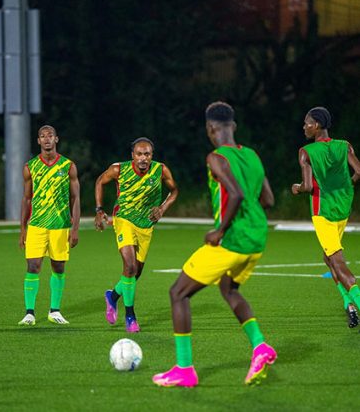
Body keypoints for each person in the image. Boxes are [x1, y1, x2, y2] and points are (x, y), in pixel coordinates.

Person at [152, 101, 277, 388]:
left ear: (210, 128)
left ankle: (184, 369)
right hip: (257, 239)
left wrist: (219, 230)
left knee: (178, 293)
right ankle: (260, 347)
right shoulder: (253, 156)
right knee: (228, 288)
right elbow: (268, 200)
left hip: (233, 240)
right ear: (233, 126)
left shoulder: (216, 157)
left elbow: (235, 194)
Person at [94, 137, 178, 332]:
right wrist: (99, 209)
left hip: (146, 225)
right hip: (124, 219)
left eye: (147, 154)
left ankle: (113, 296)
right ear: (132, 155)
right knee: (130, 266)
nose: (143, 158)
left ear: (151, 156)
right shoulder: (118, 169)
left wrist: (163, 208)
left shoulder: (160, 170)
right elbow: (100, 181)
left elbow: (174, 191)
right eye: (139, 154)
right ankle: (130, 316)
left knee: (135, 273)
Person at [291, 106, 360, 328]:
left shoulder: (306, 152)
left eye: (307, 123)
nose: (304, 127)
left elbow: (309, 186)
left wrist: (296, 188)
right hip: (342, 210)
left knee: (337, 262)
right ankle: (348, 304)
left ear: (317, 125)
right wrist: (344, 185)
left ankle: (356, 299)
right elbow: (358, 171)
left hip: (324, 214)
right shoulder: (344, 146)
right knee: (328, 257)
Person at [18, 125, 80, 326]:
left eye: (50, 136)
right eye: (42, 136)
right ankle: (29, 313)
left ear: (56, 139)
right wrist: (23, 229)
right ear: (38, 141)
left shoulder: (68, 166)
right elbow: (26, 199)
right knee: (33, 266)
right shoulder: (30, 167)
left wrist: (75, 228)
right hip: (37, 224)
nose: (46, 139)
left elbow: (75, 198)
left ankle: (54, 311)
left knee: (58, 267)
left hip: (61, 225)